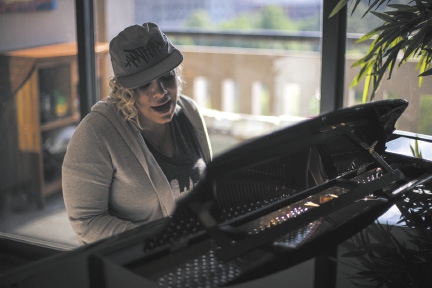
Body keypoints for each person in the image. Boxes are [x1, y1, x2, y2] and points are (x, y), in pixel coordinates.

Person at [62, 22, 212, 245]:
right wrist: (159, 240)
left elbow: (210, 183)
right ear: (125, 91)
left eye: (167, 77)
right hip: (137, 266)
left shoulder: (189, 111)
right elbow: (87, 222)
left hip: (197, 249)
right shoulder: (96, 134)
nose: (160, 92)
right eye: (144, 85)